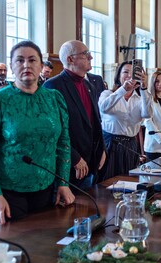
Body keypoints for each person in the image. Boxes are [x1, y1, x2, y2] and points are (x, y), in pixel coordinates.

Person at [0, 41, 75, 225]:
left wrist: (63, 183)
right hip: (8, 193)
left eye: (32, 60)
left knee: (47, 247)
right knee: (17, 250)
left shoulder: (54, 99)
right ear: (11, 66)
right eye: (19, 60)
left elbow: (63, 144)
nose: (26, 65)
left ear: (41, 65)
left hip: (47, 189)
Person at [44, 40, 106, 188]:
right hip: (70, 165)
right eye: (85, 54)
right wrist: (74, 158)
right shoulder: (53, 86)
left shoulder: (89, 85)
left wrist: (101, 149)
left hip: (92, 161)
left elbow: (95, 121)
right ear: (70, 59)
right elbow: (53, 130)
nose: (90, 57)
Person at [98, 61, 152, 180]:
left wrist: (144, 88)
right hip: (110, 143)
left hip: (130, 144)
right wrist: (123, 89)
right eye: (125, 72)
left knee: (129, 180)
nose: (129, 75)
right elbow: (103, 108)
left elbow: (147, 114)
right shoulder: (107, 93)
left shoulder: (139, 98)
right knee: (108, 181)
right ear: (118, 76)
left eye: (133, 72)